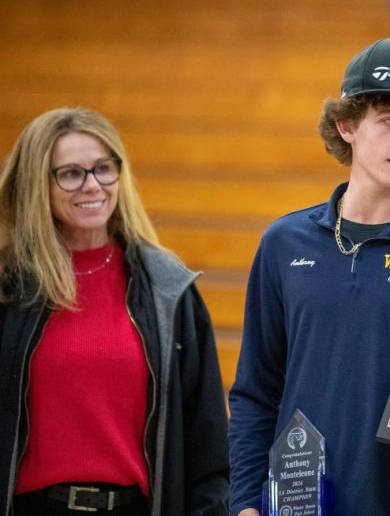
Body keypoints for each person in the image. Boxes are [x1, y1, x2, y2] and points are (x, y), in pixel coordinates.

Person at [228, 36, 390, 516]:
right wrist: (246, 502)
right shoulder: (284, 243)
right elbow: (256, 389)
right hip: (298, 501)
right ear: (346, 125)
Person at [0, 108, 230, 516]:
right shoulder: (8, 289)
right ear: (38, 185)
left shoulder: (169, 290)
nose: (92, 186)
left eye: (103, 169)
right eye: (70, 174)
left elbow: (207, 445)